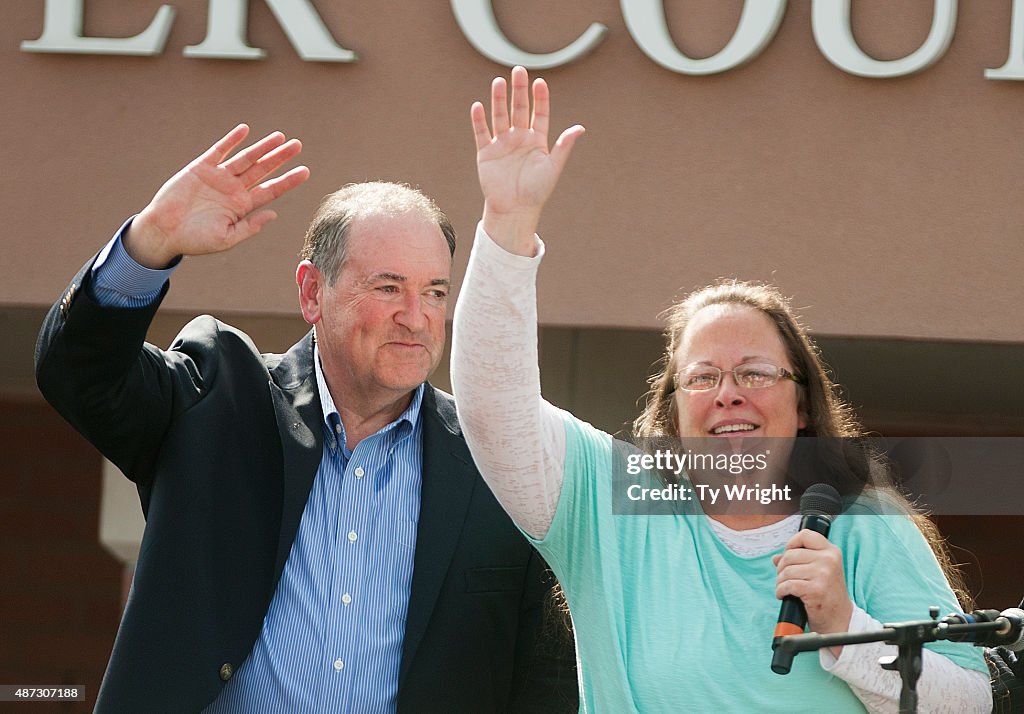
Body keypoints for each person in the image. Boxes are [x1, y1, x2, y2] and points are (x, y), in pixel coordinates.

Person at [450, 66, 991, 712]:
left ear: (803, 399)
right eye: (702, 377)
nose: (728, 393)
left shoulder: (867, 525)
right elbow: (491, 410)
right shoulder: (610, 503)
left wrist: (846, 628)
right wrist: (509, 228)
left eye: (755, 373)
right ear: (672, 409)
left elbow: (970, 702)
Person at [35, 125, 578, 713]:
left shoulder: (490, 460)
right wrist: (151, 242)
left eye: (435, 292)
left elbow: (542, 682)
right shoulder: (219, 399)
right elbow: (78, 374)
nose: (416, 317)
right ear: (312, 292)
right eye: (388, 287)